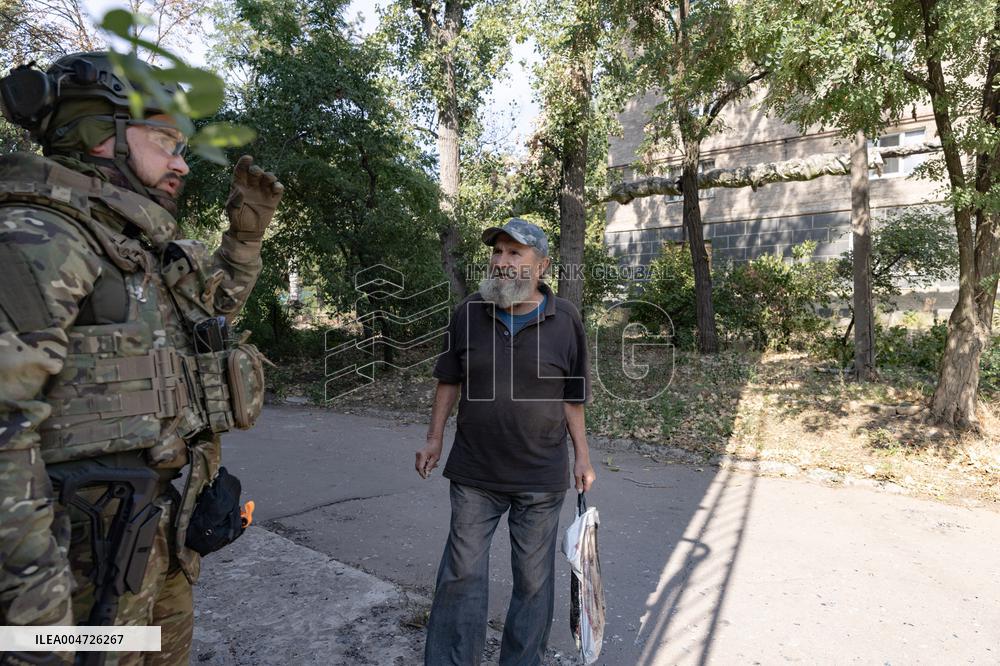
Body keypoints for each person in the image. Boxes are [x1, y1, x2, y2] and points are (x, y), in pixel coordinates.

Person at [0, 52, 282, 664]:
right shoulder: (38, 237)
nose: (181, 161)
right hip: (77, 567)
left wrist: (246, 239)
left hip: (154, 539)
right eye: (163, 140)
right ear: (97, 134)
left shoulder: (137, 245)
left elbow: (212, 320)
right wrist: (33, 613)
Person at [415, 218, 597, 666]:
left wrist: (583, 458)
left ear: (542, 266)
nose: (501, 261)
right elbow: (448, 380)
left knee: (533, 584)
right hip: (475, 472)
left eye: (514, 253)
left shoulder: (566, 319)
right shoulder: (470, 313)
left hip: (540, 477)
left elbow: (573, 397)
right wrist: (434, 438)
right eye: (497, 252)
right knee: (460, 575)